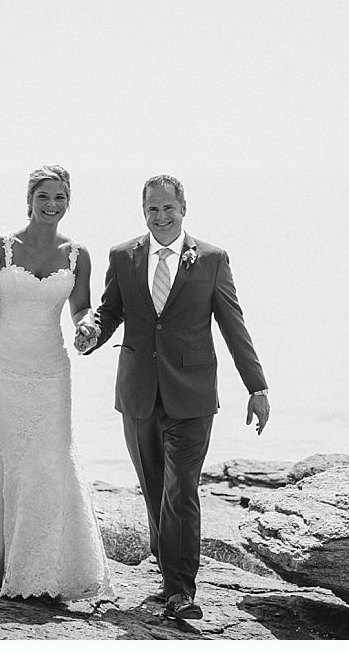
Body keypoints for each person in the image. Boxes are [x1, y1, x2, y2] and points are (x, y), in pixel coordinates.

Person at [75, 174, 269, 620]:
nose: (161, 217)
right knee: (154, 489)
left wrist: (256, 386)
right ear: (143, 211)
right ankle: (167, 571)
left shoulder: (213, 260)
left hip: (193, 396)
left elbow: (233, 326)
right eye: (152, 210)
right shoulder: (123, 256)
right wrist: (91, 334)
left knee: (181, 490)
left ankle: (181, 591)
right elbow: (110, 311)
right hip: (139, 393)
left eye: (168, 208)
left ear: (184, 208)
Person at [0, 165, 112, 602]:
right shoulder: (0, 248)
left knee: (48, 464)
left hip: (51, 371)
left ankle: (45, 567)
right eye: (43, 196)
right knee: (6, 460)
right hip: (3, 367)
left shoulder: (77, 254)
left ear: (69, 202)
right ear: (29, 199)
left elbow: (81, 308)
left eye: (59, 198)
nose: (51, 205)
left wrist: (87, 328)